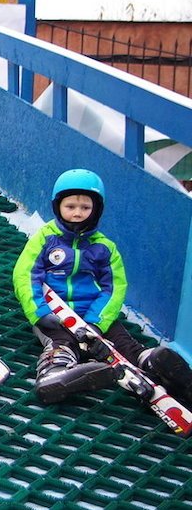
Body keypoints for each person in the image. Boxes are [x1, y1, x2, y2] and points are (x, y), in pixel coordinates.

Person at [13, 168, 192, 404]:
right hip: (55, 314)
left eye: (85, 207)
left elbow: (114, 288)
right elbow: (25, 275)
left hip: (94, 314)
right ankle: (56, 372)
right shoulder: (45, 239)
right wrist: (40, 313)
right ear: (58, 206)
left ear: (96, 210)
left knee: (122, 342)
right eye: (70, 206)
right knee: (61, 343)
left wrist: (97, 321)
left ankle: (155, 364)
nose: (77, 213)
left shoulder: (104, 247)